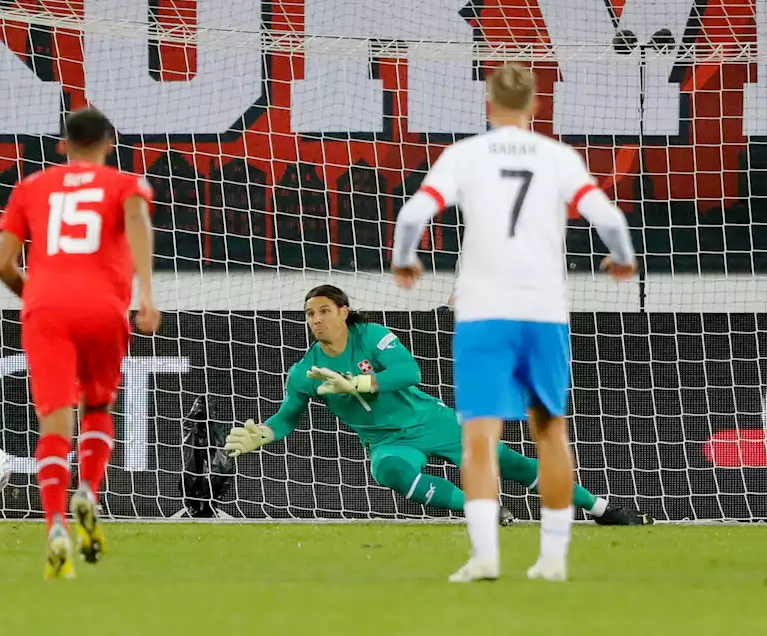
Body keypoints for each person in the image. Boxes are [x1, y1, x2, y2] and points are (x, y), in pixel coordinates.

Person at [390, 63, 638, 583]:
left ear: (489, 104)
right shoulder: (557, 158)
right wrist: (620, 259)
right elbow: (610, 218)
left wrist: (406, 258)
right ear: (535, 106)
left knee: (478, 438)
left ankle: (484, 556)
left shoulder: (464, 156)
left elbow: (413, 215)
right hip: (543, 313)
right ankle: (551, 558)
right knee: (550, 434)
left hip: (483, 314)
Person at [223, 285, 649, 527]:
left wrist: (357, 381)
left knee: (511, 463)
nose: (315, 320)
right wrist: (266, 433)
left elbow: (410, 372)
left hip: (431, 420)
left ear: (344, 312)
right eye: (309, 314)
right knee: (387, 469)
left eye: (323, 311)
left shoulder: (372, 335)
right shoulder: (304, 371)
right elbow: (287, 417)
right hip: (386, 438)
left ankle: (602, 509)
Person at [0, 106, 160, 580]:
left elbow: (2, 261)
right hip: (104, 308)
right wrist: (146, 295)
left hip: (46, 309)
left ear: (62, 144)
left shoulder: (31, 188)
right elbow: (137, 223)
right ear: (109, 143)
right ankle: (88, 487)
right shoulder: (125, 185)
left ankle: (55, 526)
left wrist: (39, 300)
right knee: (98, 406)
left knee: (54, 419)